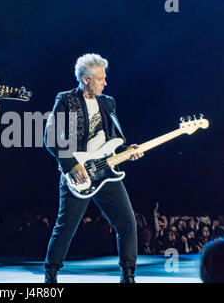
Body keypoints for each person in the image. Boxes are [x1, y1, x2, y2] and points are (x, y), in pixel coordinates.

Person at [43, 53, 143, 283]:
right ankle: (51, 275)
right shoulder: (66, 99)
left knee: (127, 223)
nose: (105, 83)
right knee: (66, 228)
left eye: (105, 78)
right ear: (85, 79)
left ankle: (128, 276)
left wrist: (128, 149)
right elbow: (50, 137)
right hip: (77, 173)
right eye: (100, 79)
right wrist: (71, 164)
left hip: (105, 170)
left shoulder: (108, 102)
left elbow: (111, 138)